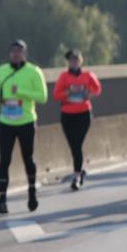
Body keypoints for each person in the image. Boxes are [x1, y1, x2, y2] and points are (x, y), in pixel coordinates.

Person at [0, 39, 48, 214]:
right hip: (6, 121)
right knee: (4, 160)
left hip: (26, 121)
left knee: (27, 158)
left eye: (19, 51)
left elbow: (43, 96)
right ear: (10, 54)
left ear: (24, 54)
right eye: (13, 52)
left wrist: (22, 93)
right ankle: (2, 200)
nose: (16, 55)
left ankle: (32, 192)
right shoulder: (2, 70)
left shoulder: (34, 71)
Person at [52, 49, 102, 191]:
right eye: (71, 59)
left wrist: (89, 94)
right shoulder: (64, 77)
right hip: (67, 114)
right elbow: (56, 95)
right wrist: (69, 92)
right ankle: (79, 172)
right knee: (73, 144)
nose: (74, 61)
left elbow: (98, 89)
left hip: (83, 113)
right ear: (68, 62)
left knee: (77, 144)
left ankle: (77, 176)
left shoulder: (87, 75)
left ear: (81, 60)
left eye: (76, 59)